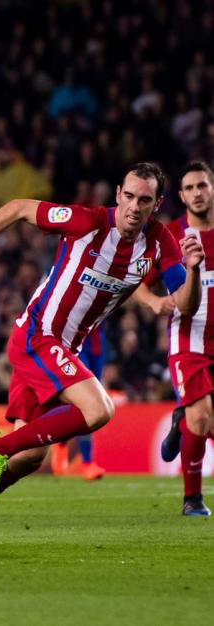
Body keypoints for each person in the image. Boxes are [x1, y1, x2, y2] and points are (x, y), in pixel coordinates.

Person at [0, 163, 204, 551]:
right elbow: (16, 208)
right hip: (38, 337)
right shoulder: (86, 221)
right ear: (118, 194)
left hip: (62, 351)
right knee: (99, 410)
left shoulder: (161, 241)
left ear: (156, 204)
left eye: (144, 200)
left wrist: (194, 272)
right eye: (128, 196)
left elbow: (187, 304)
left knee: (29, 458)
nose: (134, 206)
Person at [139, 161, 214, 516]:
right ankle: (192, 499)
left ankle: (179, 422)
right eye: (190, 188)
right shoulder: (170, 237)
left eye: (203, 186)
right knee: (202, 419)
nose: (197, 193)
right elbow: (138, 280)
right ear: (181, 196)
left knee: (201, 421)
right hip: (190, 339)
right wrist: (154, 301)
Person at [48, 327, 107, 481]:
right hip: (73, 339)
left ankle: (62, 443)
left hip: (96, 340)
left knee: (93, 398)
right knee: (85, 401)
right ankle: (87, 463)